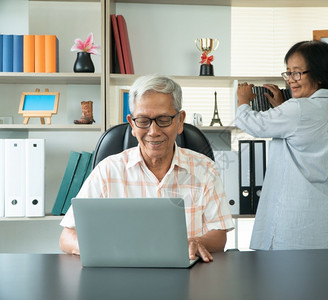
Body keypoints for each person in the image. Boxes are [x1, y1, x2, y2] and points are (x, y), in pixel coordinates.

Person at [59, 75, 234, 262]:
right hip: (122, 276)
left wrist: (197, 242)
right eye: (143, 120)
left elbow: (219, 234)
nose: (153, 131)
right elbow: (67, 237)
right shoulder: (107, 170)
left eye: (164, 119)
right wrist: (106, 248)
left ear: (180, 120)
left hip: (189, 277)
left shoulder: (205, 169)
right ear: (132, 124)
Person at [235, 40, 328, 250]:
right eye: (288, 73)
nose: (291, 81)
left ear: (320, 74)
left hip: (293, 226)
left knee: (285, 280)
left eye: (297, 73)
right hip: (326, 224)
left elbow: (253, 124)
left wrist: (243, 101)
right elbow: (303, 132)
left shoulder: (297, 109)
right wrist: (282, 107)